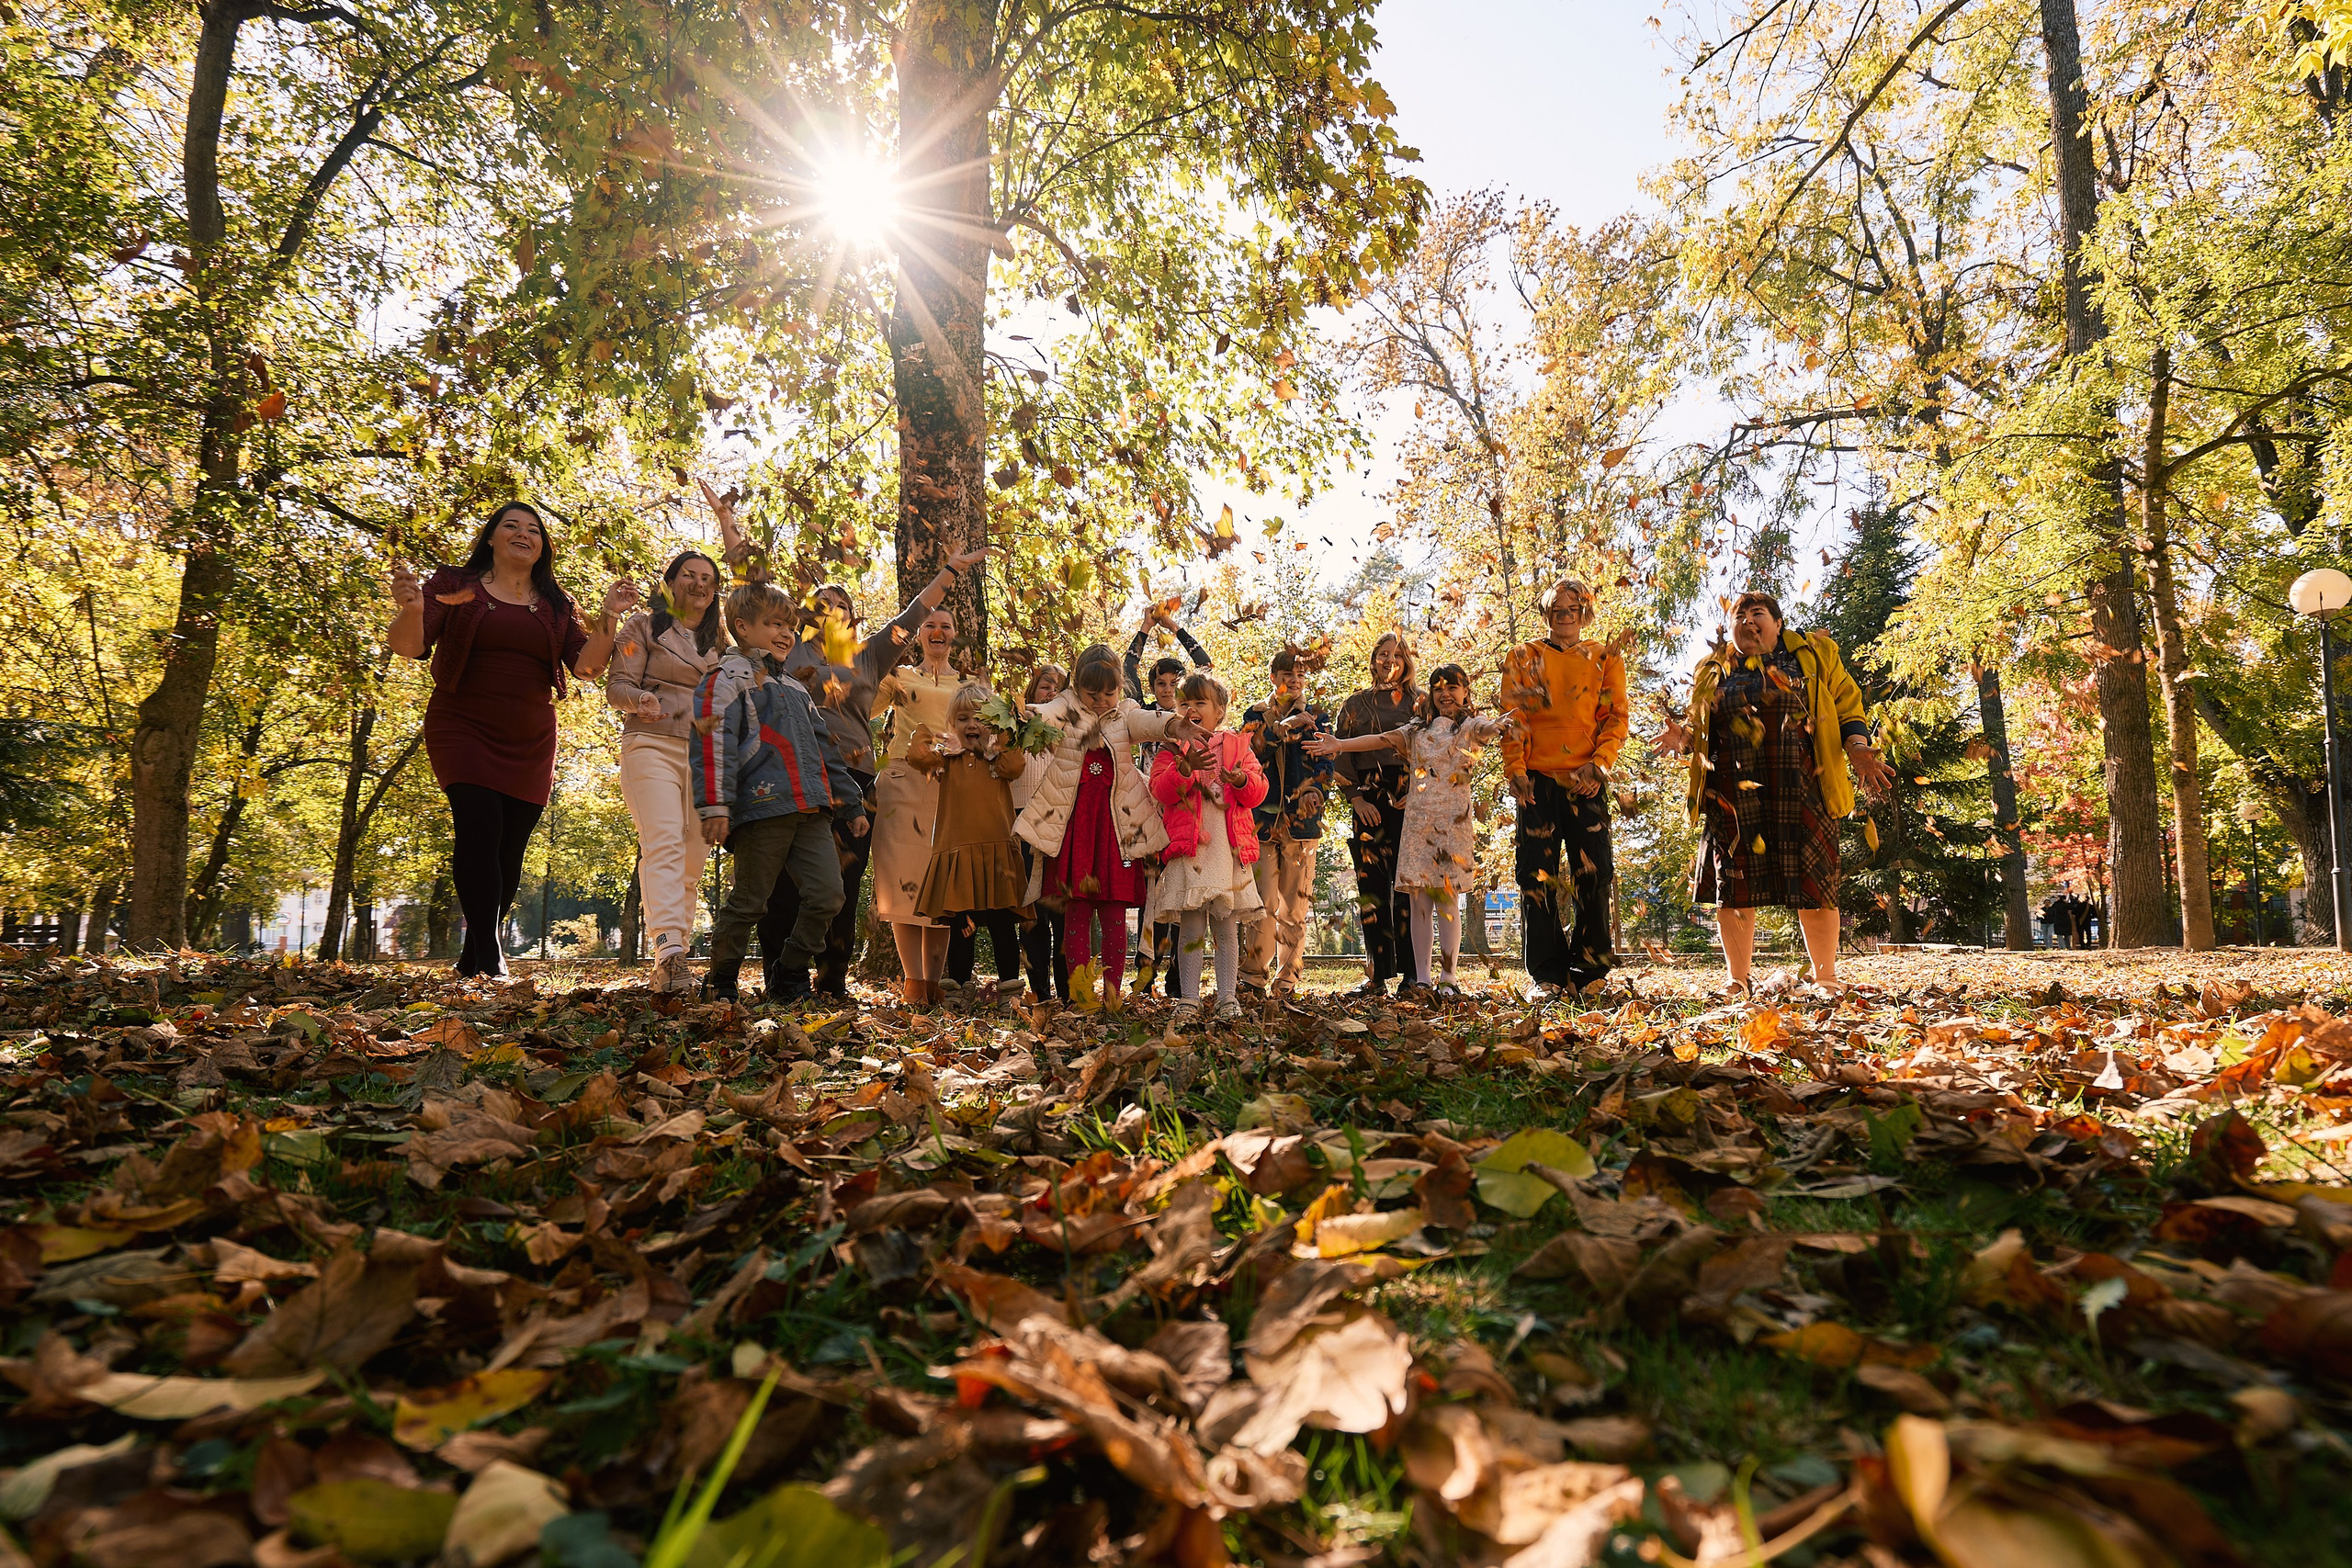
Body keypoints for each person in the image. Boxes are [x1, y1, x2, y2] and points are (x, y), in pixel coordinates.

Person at [701, 470, 989, 997]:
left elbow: (915, 615)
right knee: (782, 887)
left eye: (842, 606)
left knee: (840, 885)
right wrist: (728, 524)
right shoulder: (791, 654)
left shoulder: (871, 655)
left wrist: (949, 571)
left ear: (854, 619)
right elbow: (752, 592)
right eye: (820, 607)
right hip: (786, 776)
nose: (831, 611)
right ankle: (778, 975)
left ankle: (831, 979)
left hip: (851, 778)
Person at [387, 502, 634, 978]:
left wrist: (606, 616)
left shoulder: (558, 604)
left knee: (509, 849)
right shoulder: (452, 585)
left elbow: (587, 667)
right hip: (462, 722)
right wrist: (413, 609)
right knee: (479, 829)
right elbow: (410, 646)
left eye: (534, 529)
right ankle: (490, 955)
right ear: (492, 538)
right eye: (512, 526)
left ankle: (473, 953)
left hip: (530, 735)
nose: (524, 534)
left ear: (543, 546)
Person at [1656, 589, 1895, 992]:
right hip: (1733, 793)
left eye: (1758, 611)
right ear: (1729, 628)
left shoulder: (1815, 655)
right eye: (1739, 614)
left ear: (1778, 624)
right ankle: (1737, 980)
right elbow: (1700, 733)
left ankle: (1826, 978)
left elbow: (1848, 707)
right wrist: (1684, 737)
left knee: (1815, 886)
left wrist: (1857, 750)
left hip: (1802, 786)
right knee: (1734, 890)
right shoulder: (1712, 670)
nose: (1748, 619)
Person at [689, 582, 868, 1003]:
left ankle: (788, 972)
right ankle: (721, 979)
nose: (787, 633)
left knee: (829, 895)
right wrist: (714, 804)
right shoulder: (726, 679)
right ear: (742, 627)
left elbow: (827, 751)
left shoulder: (797, 688)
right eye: (774, 624)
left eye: (789, 626)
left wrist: (851, 803)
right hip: (763, 807)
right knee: (751, 901)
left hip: (812, 811)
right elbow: (712, 744)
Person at [1308, 663, 1512, 997]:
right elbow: (1379, 738)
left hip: (1452, 826)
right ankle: (1422, 978)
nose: (1445, 694)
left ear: (1464, 692)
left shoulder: (1468, 727)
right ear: (1431, 694)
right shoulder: (1416, 730)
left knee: (1446, 902)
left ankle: (1448, 977)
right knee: (1418, 903)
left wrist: (1498, 725)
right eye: (1438, 688)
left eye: (1453, 688)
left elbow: (1486, 728)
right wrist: (1340, 745)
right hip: (1417, 826)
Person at [1015, 646, 1197, 1009]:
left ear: (1119, 689)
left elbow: (1147, 722)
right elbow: (1048, 714)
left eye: (1108, 694)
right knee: (1077, 910)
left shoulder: (1125, 711)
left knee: (1114, 911)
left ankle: (1112, 993)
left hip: (1118, 828)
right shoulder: (1066, 706)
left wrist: (1173, 724)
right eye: (1091, 694)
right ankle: (1081, 995)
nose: (1100, 701)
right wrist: (1030, 713)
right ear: (1078, 688)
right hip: (1075, 825)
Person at [1499, 580, 1629, 1002]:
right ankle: (1547, 974)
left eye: (1574, 607)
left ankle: (1590, 972)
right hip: (1536, 781)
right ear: (1546, 612)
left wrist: (1599, 764)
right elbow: (1513, 717)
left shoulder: (1605, 657)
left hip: (1586, 781)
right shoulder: (1522, 657)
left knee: (1594, 873)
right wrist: (1514, 768)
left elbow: (1615, 718)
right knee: (1537, 877)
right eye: (1557, 607)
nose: (1565, 613)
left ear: (1585, 612)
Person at [868, 558, 990, 1000]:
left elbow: (993, 731)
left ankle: (935, 985)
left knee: (943, 883)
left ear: (954, 634)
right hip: (903, 780)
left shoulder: (971, 685)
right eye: (930, 625)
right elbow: (859, 704)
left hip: (952, 786)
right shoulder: (899, 677)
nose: (937, 631)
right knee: (905, 879)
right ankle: (913, 982)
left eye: (945, 625)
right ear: (919, 632)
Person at [605, 550, 726, 993]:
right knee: (664, 842)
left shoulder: (720, 642)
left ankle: (678, 955)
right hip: (651, 742)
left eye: (707, 579)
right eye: (689, 576)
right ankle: (668, 953)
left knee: (693, 856)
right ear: (671, 582)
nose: (699, 585)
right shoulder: (642, 626)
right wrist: (641, 701)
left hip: (702, 754)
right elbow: (617, 684)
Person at [1148, 674, 1269, 1022]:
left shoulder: (1238, 747)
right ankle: (1188, 998)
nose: (1191, 710)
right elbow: (1161, 790)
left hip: (1227, 849)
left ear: (1220, 711)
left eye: (1200, 703)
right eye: (1184, 704)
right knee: (1191, 928)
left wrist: (1242, 780)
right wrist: (1185, 770)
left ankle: (1228, 998)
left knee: (1226, 927)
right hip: (1191, 850)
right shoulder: (1171, 748)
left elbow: (1258, 790)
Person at [911, 683, 1032, 1002]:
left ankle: (1009, 991)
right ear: (954, 725)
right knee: (961, 926)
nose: (972, 725)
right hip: (958, 856)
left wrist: (1001, 735)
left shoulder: (998, 758)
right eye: (963, 718)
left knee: (1001, 925)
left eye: (980, 717)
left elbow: (1015, 766)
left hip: (997, 854)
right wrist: (926, 734)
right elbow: (918, 757)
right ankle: (957, 990)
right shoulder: (948, 760)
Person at [1125, 603, 1215, 998]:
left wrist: (1173, 627)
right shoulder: (1142, 717)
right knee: (1151, 894)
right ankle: (1146, 973)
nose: (1166, 689)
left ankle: (1181, 977)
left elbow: (1205, 667)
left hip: (1186, 813)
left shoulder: (1194, 723)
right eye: (1160, 683)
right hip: (1148, 811)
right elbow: (1127, 673)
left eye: (1173, 684)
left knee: (1183, 891)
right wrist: (1145, 627)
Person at [1240, 649, 1333, 998]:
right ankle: (1252, 975)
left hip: (1301, 824)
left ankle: (1287, 978)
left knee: (1294, 905)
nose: (1294, 681)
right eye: (1287, 676)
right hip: (1262, 824)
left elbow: (1326, 762)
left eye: (1300, 676)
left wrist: (1316, 793)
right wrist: (1281, 728)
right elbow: (1249, 755)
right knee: (1262, 901)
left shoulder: (1318, 716)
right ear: (1273, 678)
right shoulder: (1255, 714)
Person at [1332, 632, 1418, 998]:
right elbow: (1339, 755)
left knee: (1409, 890)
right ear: (1373, 659)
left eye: (1397, 655)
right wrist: (1355, 799)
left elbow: (1433, 748)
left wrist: (1417, 791)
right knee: (1372, 888)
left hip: (1411, 801)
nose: (1389, 660)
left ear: (1407, 663)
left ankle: (1415, 975)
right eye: (1383, 654)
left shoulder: (1420, 704)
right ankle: (1377, 975)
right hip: (1368, 800)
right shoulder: (1355, 705)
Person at [1012, 664, 1071, 999]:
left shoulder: (1069, 733)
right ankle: (1040, 993)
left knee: (1062, 911)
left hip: (1060, 825)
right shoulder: (1017, 725)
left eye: (1059, 690)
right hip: (1023, 824)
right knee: (1031, 913)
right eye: (1046, 686)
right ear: (1033, 690)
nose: (1052, 693)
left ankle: (1066, 991)